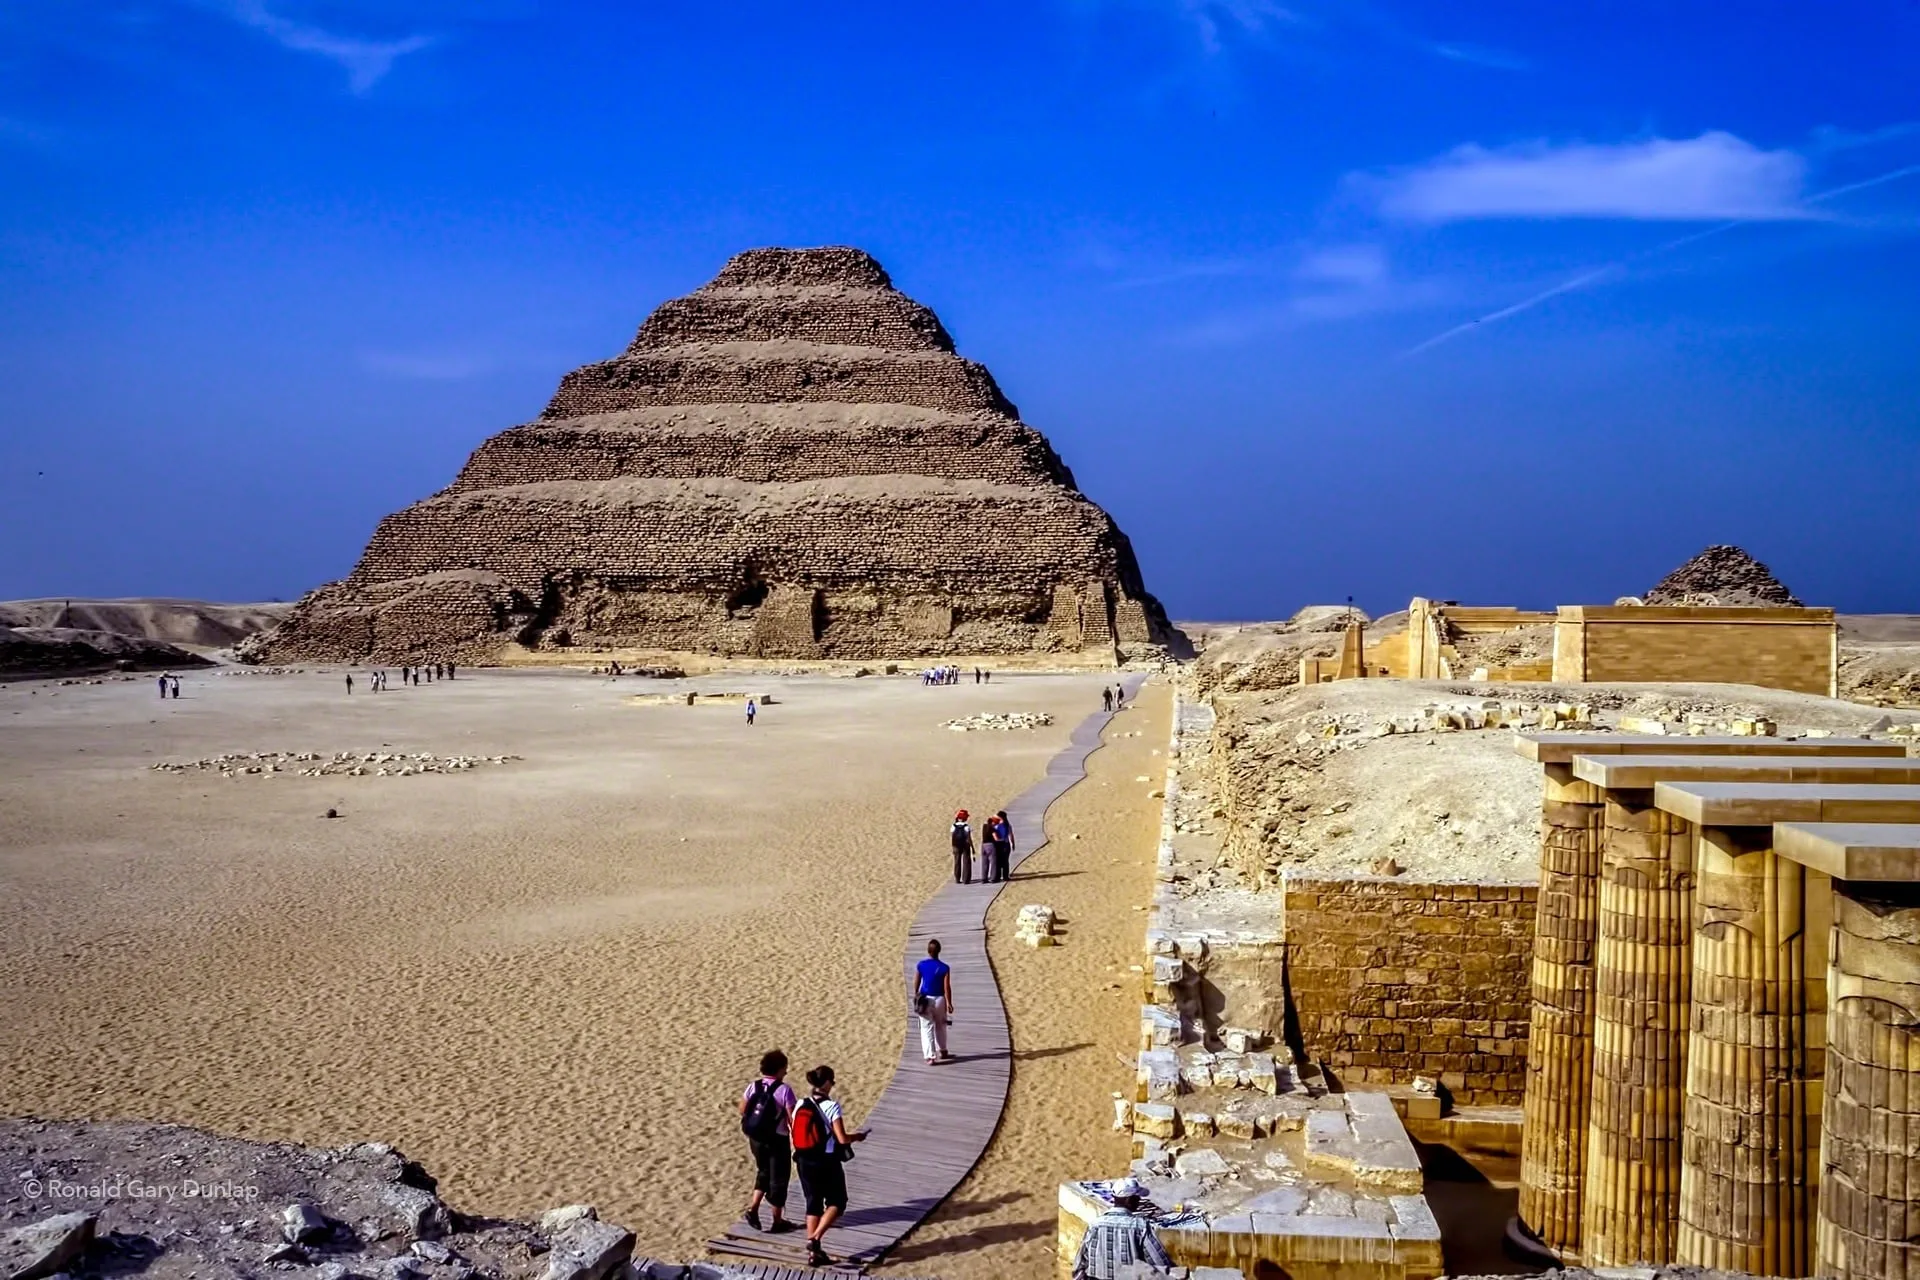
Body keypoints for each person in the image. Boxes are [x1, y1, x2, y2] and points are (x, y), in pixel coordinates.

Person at [791, 1065, 867, 1268]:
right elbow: (842, 1138)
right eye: (832, 1081)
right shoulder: (831, 1106)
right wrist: (857, 1137)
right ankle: (814, 1240)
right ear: (825, 1083)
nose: (833, 1085)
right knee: (838, 1202)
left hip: (803, 1159)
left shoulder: (800, 1104)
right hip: (826, 1161)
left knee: (812, 1203)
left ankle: (814, 1254)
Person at [738, 1049, 798, 1235]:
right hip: (777, 1139)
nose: (786, 1072)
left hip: (755, 1138)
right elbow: (792, 1119)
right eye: (784, 1069)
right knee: (779, 1179)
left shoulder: (753, 1086)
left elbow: (742, 1110)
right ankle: (777, 1221)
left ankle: (753, 1208)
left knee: (763, 1171)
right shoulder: (784, 1090)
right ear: (779, 1069)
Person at [1071, 1179, 1173, 1280]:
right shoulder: (1140, 1226)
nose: (1139, 1201)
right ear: (1129, 1200)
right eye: (1137, 1198)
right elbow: (1160, 1263)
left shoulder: (1095, 1224)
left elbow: (1080, 1263)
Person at [915, 939, 954, 1064]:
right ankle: (942, 1049)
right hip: (940, 999)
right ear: (939, 951)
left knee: (926, 1027)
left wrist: (916, 994)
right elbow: (947, 987)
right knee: (941, 1025)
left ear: (928, 951)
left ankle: (930, 1056)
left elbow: (917, 980)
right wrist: (949, 1003)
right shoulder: (944, 967)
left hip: (926, 999)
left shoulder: (921, 965)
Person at [949, 810, 974, 884]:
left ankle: (957, 878)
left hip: (956, 845)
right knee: (966, 862)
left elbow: (952, 836)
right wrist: (972, 847)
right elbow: (969, 838)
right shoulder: (966, 826)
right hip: (965, 846)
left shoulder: (953, 826)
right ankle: (966, 879)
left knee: (957, 862)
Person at [992, 810, 1016, 882]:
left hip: (998, 844)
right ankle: (1005, 876)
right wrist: (1013, 844)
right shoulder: (1008, 825)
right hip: (1006, 844)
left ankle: (998, 876)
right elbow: (1011, 836)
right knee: (1005, 861)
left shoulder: (996, 826)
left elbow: (993, 835)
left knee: (998, 861)